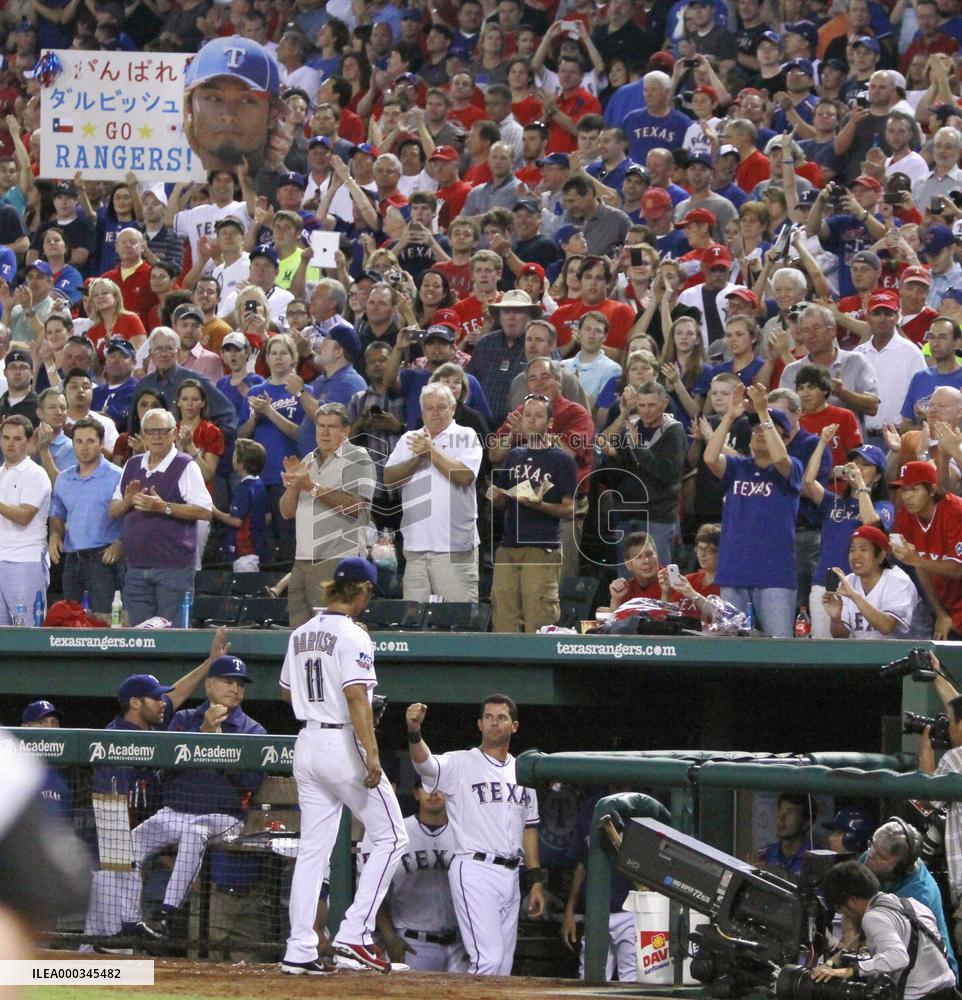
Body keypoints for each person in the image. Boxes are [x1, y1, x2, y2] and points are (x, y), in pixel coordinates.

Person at [281, 557, 408, 976]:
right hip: (341, 743)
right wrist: (371, 753)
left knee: (312, 850)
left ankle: (299, 949)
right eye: (369, 591)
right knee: (393, 835)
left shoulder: (300, 633)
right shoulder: (353, 635)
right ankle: (354, 932)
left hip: (307, 741)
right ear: (361, 590)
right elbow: (356, 697)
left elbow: (287, 693)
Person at [118, 655, 266, 941]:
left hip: (223, 818)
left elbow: (251, 782)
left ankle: (165, 916)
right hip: (175, 812)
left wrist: (218, 742)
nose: (235, 689)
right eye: (228, 681)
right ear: (208, 685)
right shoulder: (183, 720)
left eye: (240, 684)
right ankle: (132, 922)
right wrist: (202, 734)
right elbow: (167, 768)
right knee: (128, 845)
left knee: (194, 834)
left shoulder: (253, 730)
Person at [405, 695, 544, 975]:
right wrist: (414, 732)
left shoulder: (523, 771)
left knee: (503, 967)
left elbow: (530, 828)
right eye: (489, 717)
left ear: (514, 726)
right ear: (479, 724)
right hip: (475, 868)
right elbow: (425, 765)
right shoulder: (461, 762)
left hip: (511, 874)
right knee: (488, 961)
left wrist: (536, 880)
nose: (495, 723)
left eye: (502, 717)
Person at [704, 383, 803, 637]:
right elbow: (710, 458)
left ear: (784, 438)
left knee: (778, 646)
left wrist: (763, 412)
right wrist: (729, 416)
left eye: (768, 427)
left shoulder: (791, 467)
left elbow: (781, 459)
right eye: (755, 427)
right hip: (734, 570)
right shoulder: (739, 467)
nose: (760, 431)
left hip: (774, 574)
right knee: (731, 649)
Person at [109, 407, 212, 627]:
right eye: (150, 431)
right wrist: (128, 502)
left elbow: (205, 511)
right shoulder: (132, 464)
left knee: (172, 635)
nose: (156, 436)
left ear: (174, 434)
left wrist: (163, 507)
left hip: (173, 568)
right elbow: (113, 510)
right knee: (138, 638)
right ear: (143, 435)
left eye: (163, 431)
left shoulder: (186, 466)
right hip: (136, 567)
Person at [279, 403, 376, 629]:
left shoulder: (358, 458)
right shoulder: (307, 460)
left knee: (331, 633)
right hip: (302, 559)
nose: (324, 432)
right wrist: (294, 484)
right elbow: (285, 512)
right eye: (320, 426)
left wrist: (310, 486)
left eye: (331, 427)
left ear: (346, 430)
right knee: (299, 635)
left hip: (337, 559)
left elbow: (356, 506)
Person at [384, 384, 483, 602]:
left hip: (453, 548)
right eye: (429, 408)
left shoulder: (465, 436)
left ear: (453, 409)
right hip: (415, 546)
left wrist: (430, 451)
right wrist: (418, 457)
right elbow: (389, 479)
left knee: (457, 621)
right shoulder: (409, 439)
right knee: (414, 622)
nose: (435, 413)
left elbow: (464, 476)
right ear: (422, 412)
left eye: (441, 407)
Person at [487, 393, 576, 633]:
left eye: (538, 416)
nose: (531, 421)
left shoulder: (562, 460)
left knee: (539, 617)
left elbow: (569, 508)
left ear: (549, 423)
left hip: (542, 546)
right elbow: (503, 500)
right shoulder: (515, 455)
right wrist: (497, 497)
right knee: (503, 615)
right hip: (508, 545)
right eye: (527, 415)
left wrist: (540, 505)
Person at [813, 861, 957, 1000]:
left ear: (852, 900)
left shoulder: (873, 917)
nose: (844, 914)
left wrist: (849, 971)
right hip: (948, 991)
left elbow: (898, 957)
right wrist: (831, 963)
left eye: (841, 908)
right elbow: (866, 938)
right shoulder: (910, 904)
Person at [373, 782, 469, 972]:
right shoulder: (397, 834)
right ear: (416, 793)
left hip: (460, 942)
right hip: (412, 943)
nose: (433, 793)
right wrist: (390, 938)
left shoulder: (467, 835)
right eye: (426, 787)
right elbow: (375, 893)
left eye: (439, 787)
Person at [860, 819, 958, 978]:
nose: (870, 855)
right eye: (872, 845)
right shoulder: (870, 858)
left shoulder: (918, 896)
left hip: (930, 975)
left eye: (879, 855)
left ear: (900, 867)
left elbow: (896, 954)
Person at [48, 418, 124, 617]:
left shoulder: (118, 476)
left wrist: (120, 543)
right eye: (78, 441)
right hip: (72, 561)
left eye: (90, 441)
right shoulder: (64, 479)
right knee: (70, 621)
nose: (84, 447)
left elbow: (132, 516)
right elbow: (57, 513)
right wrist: (55, 535)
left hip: (105, 561)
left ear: (101, 443)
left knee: (104, 621)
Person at [182, 36, 285, 175]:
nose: (228, 115)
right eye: (213, 99)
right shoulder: (165, 191)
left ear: (273, 115)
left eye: (246, 101)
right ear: (189, 109)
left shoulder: (294, 191)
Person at [889, 461, 962, 641]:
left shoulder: (954, 511)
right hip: (947, 601)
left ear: (931, 490)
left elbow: (959, 570)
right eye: (904, 489)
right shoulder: (905, 517)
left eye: (914, 489)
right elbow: (920, 568)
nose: (907, 496)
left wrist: (916, 560)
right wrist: (941, 614)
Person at [823, 526, 919, 640]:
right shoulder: (849, 581)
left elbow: (886, 627)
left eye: (863, 550)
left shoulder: (899, 581)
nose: (856, 555)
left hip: (909, 652)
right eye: (852, 550)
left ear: (881, 556)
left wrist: (854, 595)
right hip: (867, 654)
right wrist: (836, 619)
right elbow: (840, 635)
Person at [0, 415, 51, 625]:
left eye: (17, 438)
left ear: (30, 441)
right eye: (5, 437)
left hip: (25, 559)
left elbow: (23, 516)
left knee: (28, 628)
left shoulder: (36, 474)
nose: (10, 443)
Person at [755, 793, 815, 877]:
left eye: (790, 812)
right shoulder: (764, 854)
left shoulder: (818, 859)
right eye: (780, 810)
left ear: (806, 823)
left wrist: (782, 875)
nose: (781, 818)